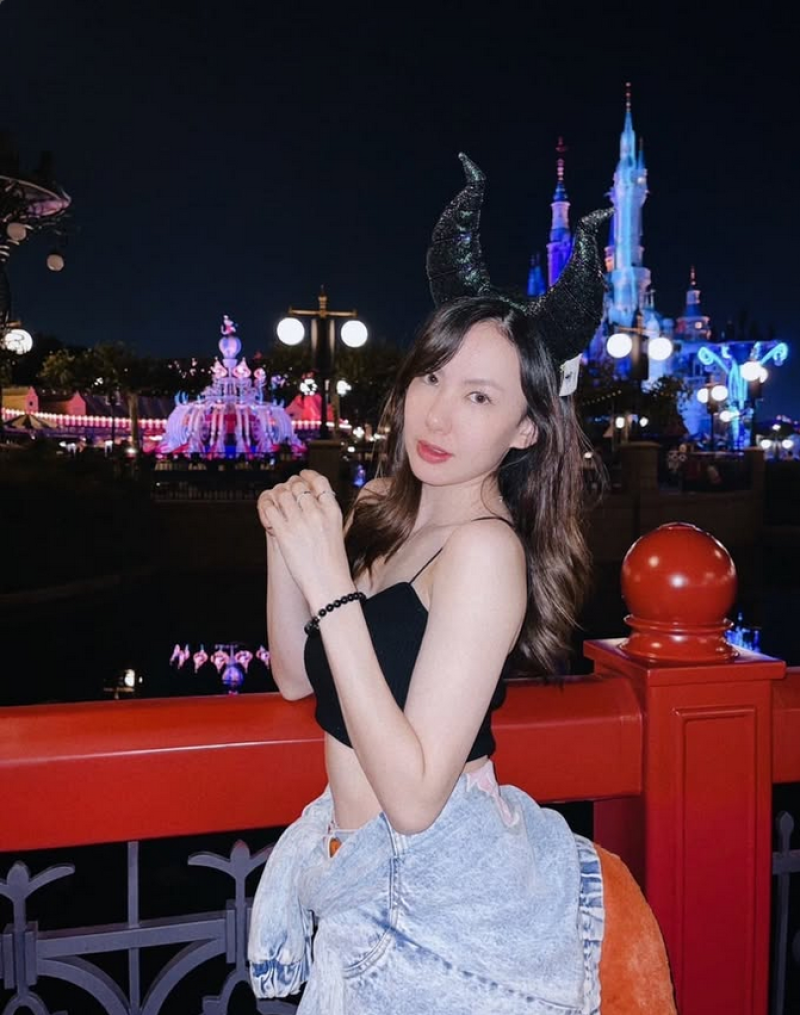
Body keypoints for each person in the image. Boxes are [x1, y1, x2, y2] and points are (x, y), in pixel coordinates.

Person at [249, 155, 676, 1014]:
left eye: (480, 397)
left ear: (526, 430)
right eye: (433, 375)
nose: (438, 413)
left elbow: (413, 798)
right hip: (360, 881)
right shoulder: (386, 510)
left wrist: (331, 585)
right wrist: (286, 542)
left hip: (441, 897)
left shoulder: (486, 551)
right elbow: (297, 675)